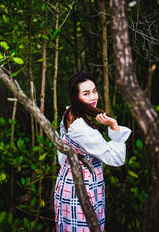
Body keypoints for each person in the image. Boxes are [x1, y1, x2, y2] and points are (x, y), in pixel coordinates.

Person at [54, 72, 131, 231]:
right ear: (76, 97)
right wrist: (114, 127)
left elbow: (63, 153)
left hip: (69, 181)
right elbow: (116, 158)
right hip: (83, 186)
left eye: (94, 91)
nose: (93, 97)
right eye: (86, 93)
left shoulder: (69, 113)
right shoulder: (82, 128)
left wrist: (68, 169)